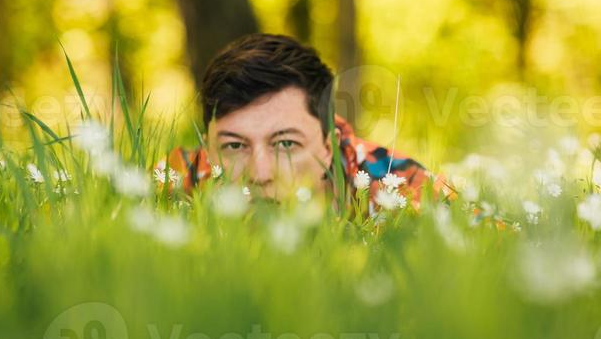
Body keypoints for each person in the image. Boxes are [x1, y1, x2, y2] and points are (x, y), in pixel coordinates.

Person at [163, 33, 455, 213]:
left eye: (286, 143)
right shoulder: (179, 183)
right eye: (235, 145)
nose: (260, 174)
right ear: (208, 148)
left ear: (329, 145)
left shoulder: (396, 184)